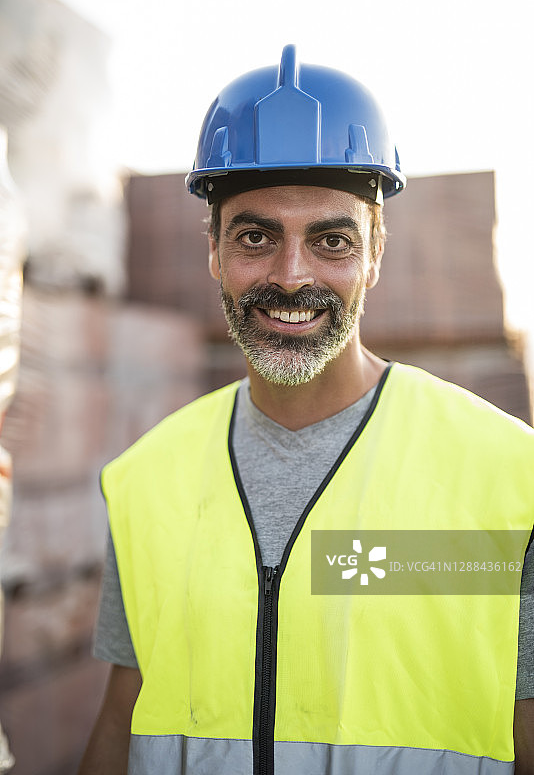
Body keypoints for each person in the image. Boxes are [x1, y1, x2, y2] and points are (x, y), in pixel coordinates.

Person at [78, 46, 534, 775]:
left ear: (377, 251)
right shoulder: (146, 480)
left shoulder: (508, 478)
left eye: (331, 240)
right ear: (214, 253)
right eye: (256, 237)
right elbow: (121, 717)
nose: (291, 278)